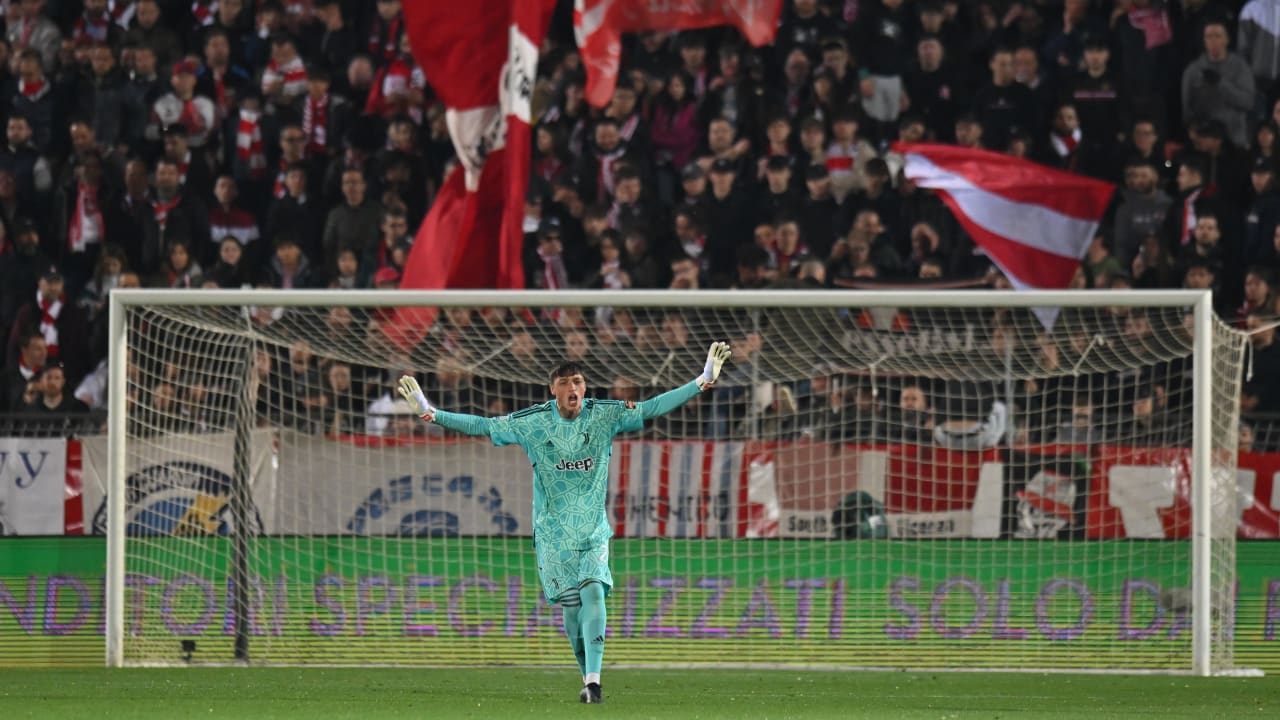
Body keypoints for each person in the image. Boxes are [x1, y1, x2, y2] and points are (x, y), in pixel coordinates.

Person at [395, 341, 733, 704]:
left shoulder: (604, 414)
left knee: (594, 592)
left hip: (591, 530)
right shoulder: (534, 423)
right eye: (566, 383)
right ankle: (586, 677)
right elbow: (483, 425)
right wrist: (432, 414)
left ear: (584, 387)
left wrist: (702, 381)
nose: (573, 389)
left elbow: (651, 407)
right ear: (552, 389)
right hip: (553, 534)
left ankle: (595, 682)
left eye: (579, 382)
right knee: (572, 614)